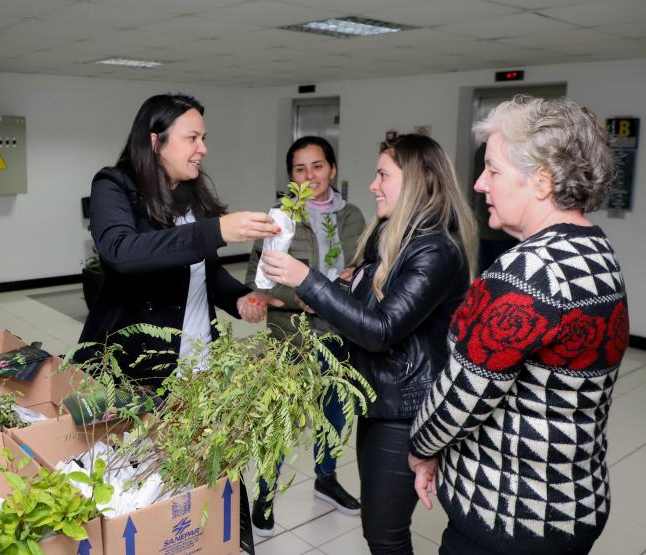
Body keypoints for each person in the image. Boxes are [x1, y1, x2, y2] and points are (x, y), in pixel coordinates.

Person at [408, 96, 628, 555]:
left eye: (493, 170)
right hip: (572, 503)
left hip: (511, 518)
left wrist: (421, 449)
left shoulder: (527, 274)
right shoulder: (596, 251)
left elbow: (461, 397)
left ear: (541, 181)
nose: (479, 183)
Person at [260, 134, 478, 554]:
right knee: (378, 529)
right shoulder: (392, 237)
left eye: (383, 175)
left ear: (421, 180)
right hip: (382, 400)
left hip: (407, 412)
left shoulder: (434, 250)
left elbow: (379, 330)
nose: (373, 185)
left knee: (384, 533)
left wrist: (307, 279)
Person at [78, 92, 281, 387]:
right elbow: (121, 251)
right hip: (138, 364)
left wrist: (240, 298)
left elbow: (203, 269)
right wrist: (216, 231)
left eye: (204, 138)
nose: (203, 149)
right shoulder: (114, 185)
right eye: (192, 138)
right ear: (155, 141)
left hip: (198, 359)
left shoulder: (190, 193)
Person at [244, 135, 366, 536]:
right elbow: (257, 281)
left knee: (334, 413)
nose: (310, 175)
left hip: (340, 336)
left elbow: (364, 276)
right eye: (300, 168)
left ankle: (327, 478)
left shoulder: (353, 218)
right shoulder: (277, 218)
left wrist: (338, 290)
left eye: (317, 166)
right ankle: (263, 494)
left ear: (332, 168)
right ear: (290, 176)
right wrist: (305, 298)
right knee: (279, 420)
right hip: (290, 338)